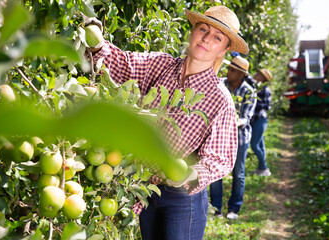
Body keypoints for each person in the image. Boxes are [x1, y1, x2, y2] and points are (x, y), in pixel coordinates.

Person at [85, 5, 248, 240]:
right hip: (145, 189)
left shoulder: (219, 97)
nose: (206, 39)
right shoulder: (161, 65)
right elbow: (120, 62)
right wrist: (95, 39)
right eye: (203, 29)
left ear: (224, 49)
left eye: (217, 37)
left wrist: (189, 174)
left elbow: (220, 159)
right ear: (192, 32)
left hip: (182, 197)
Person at [210, 55, 256, 220]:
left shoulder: (249, 92)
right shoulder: (220, 84)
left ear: (241, 74)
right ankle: (215, 209)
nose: (228, 72)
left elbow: (246, 118)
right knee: (215, 172)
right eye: (229, 69)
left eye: (233, 71)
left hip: (240, 138)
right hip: (219, 137)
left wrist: (231, 120)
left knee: (238, 173)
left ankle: (234, 209)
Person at [250, 69, 272, 176]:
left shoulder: (264, 90)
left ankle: (264, 167)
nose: (256, 75)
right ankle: (261, 169)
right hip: (255, 120)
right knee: (260, 145)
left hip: (260, 120)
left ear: (263, 79)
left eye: (259, 74)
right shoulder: (255, 87)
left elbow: (267, 106)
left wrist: (253, 103)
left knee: (254, 145)